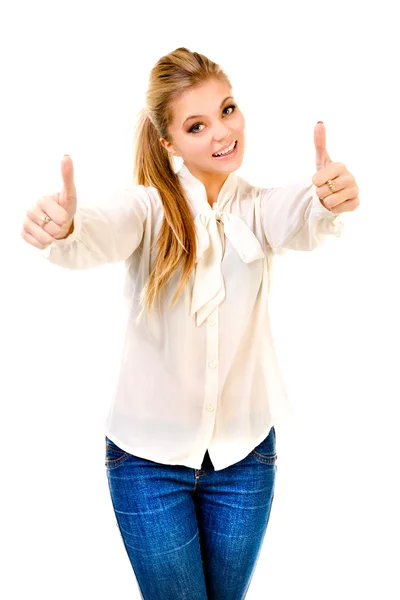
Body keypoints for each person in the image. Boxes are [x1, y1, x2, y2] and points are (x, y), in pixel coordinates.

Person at [20, 47, 360, 599]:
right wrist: (64, 228)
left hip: (244, 458)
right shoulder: (148, 210)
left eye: (228, 110)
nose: (222, 132)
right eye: (196, 125)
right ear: (168, 142)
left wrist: (329, 198)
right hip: (146, 464)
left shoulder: (256, 208)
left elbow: (302, 213)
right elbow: (99, 228)